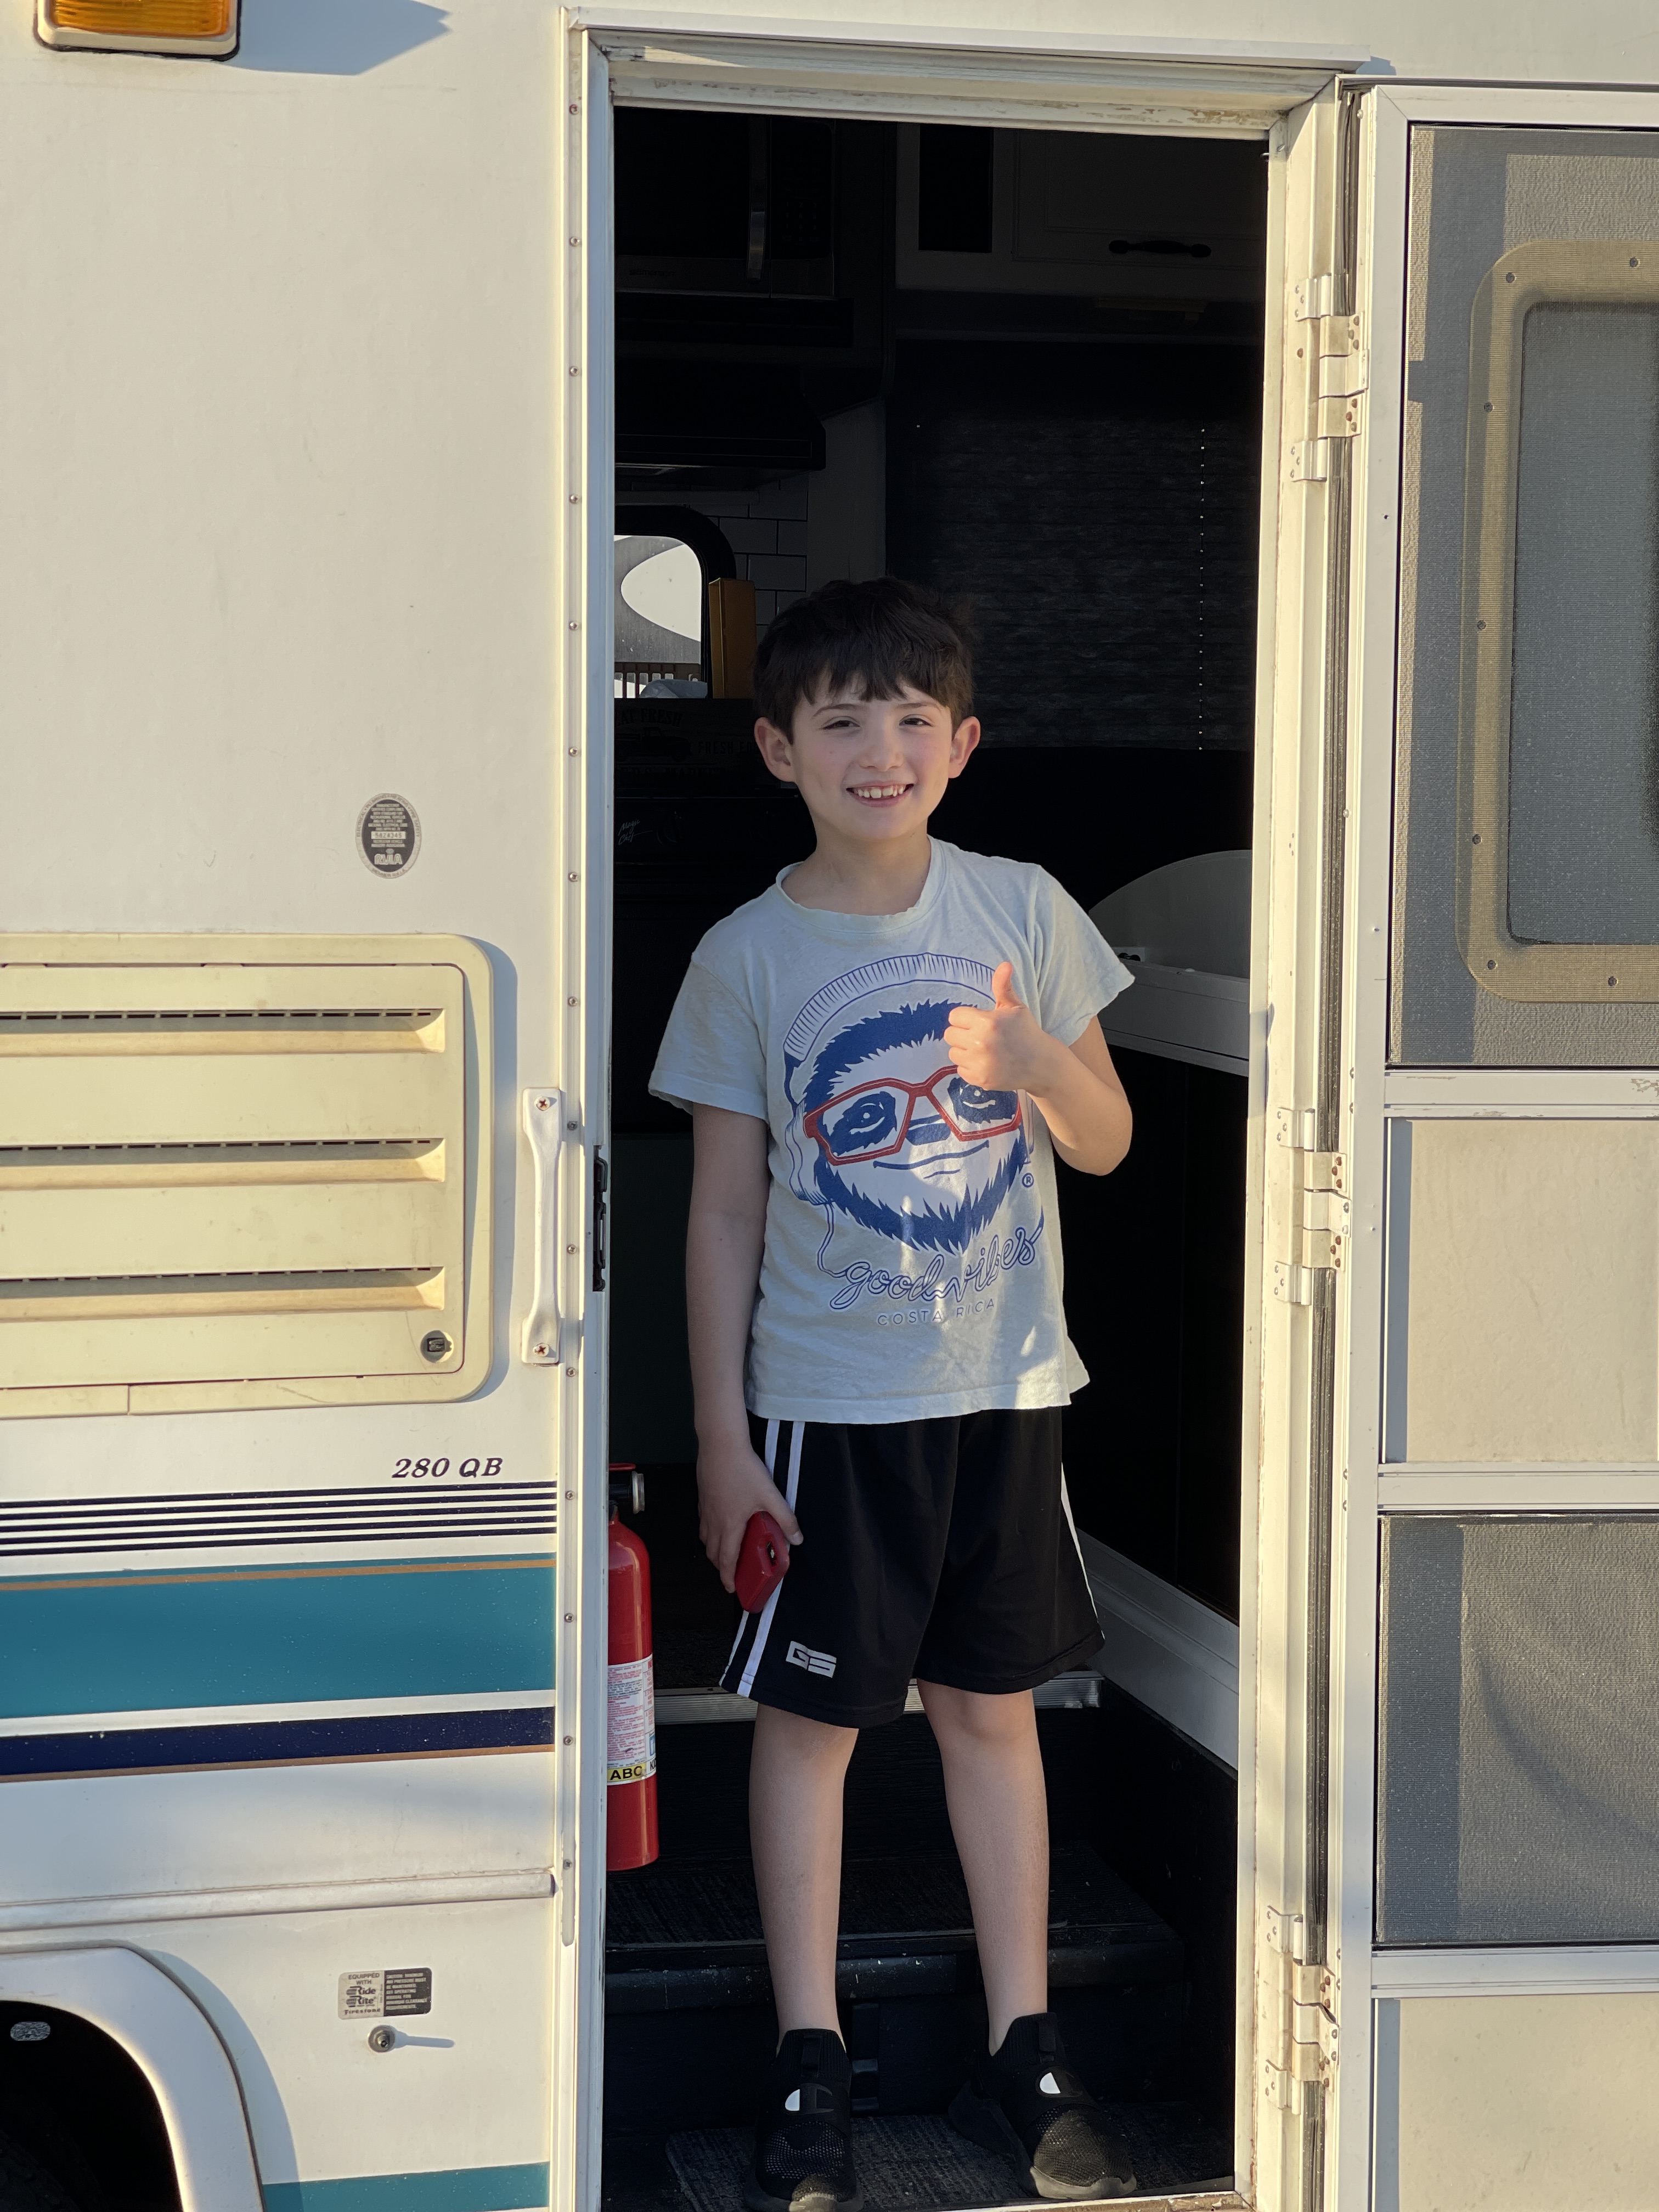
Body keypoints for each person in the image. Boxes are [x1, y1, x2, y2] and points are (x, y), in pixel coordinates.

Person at [648, 578, 1138, 2211]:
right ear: (778, 749)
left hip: (1004, 1390)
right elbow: (722, 1212)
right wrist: (722, 1442)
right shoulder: (744, 955)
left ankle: (1026, 2052)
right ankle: (811, 2059)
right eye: (842, 720)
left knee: (992, 1713)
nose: (881, 750)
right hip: (824, 1406)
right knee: (812, 1734)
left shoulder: (1023, 909)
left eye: (913, 719)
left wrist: (1039, 1066)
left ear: (964, 743)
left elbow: (1107, 1140)